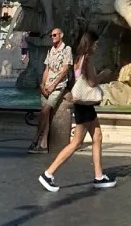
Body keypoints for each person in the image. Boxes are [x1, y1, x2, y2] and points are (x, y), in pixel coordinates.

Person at [38, 31, 116, 192]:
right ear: (90, 44)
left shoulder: (79, 58)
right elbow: (92, 82)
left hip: (83, 104)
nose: (97, 46)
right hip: (84, 105)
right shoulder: (87, 59)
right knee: (75, 143)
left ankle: (99, 176)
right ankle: (48, 174)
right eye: (95, 43)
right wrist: (104, 75)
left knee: (97, 136)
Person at [29, 27, 73, 154]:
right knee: (45, 114)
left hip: (58, 86)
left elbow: (65, 69)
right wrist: (42, 84)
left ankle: (36, 138)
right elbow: (46, 69)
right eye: (51, 36)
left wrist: (53, 85)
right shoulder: (51, 50)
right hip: (47, 86)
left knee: (45, 111)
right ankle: (43, 145)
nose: (52, 37)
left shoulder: (67, 49)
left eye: (55, 35)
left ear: (61, 35)